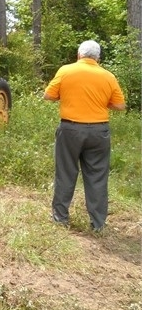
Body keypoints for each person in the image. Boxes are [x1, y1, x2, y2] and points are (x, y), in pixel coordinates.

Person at [43, 40, 126, 233]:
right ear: (97, 58)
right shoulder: (108, 76)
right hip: (99, 132)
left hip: (70, 129)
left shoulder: (66, 71)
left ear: (79, 55)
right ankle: (98, 224)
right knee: (97, 176)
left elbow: (48, 95)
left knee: (65, 173)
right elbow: (120, 106)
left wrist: (66, 96)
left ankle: (60, 218)